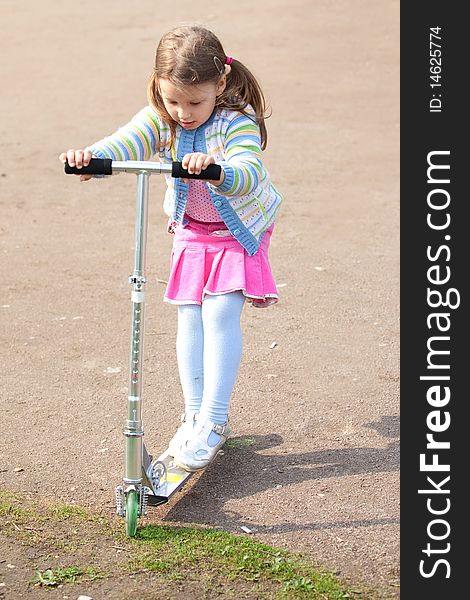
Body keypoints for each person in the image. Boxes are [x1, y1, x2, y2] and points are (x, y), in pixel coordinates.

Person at [59, 25, 283, 472]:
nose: (183, 113)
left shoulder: (235, 120)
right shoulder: (163, 115)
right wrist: (92, 158)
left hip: (237, 230)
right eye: (173, 100)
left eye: (195, 102)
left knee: (219, 313)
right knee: (189, 315)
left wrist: (217, 170)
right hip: (193, 232)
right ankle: (194, 415)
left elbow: (248, 169)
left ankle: (215, 422)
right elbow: (130, 141)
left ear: (219, 84)